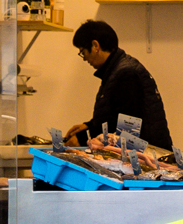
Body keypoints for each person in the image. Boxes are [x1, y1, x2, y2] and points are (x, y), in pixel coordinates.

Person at [68, 20, 173, 152]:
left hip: (148, 158)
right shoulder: (117, 70)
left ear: (95, 46)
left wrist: (84, 137)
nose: (84, 58)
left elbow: (125, 126)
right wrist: (88, 126)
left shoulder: (126, 74)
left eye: (83, 52)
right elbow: (112, 114)